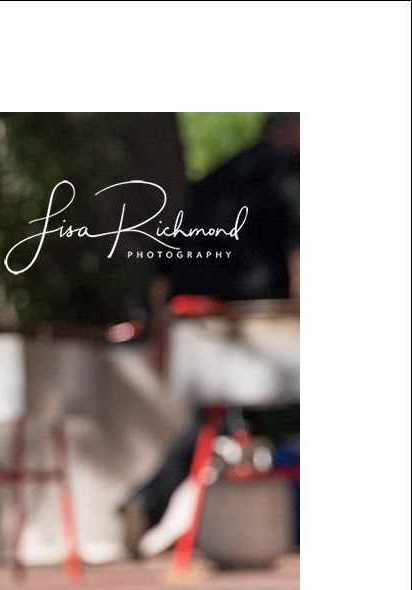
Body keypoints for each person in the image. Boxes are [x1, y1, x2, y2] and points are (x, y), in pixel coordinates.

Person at [127, 113, 300, 544]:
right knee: (229, 418)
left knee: (213, 421)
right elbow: (301, 253)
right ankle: (150, 501)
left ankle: (148, 500)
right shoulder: (289, 171)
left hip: (194, 324)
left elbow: (164, 269)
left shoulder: (215, 179)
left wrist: (163, 329)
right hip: (255, 327)